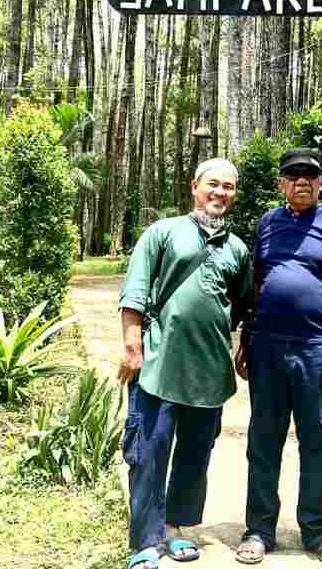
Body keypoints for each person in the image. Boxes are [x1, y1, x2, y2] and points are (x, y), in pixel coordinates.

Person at [116, 158, 253, 569]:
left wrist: (240, 346)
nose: (220, 192)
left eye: (228, 186)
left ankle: (174, 528)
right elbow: (135, 291)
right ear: (195, 186)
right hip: (159, 364)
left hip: (209, 372)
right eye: (213, 184)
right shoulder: (163, 233)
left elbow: (242, 306)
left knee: (195, 456)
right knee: (149, 452)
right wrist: (132, 347)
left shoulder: (237, 248)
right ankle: (146, 541)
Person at [235, 147, 322, 568]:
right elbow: (258, 281)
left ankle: (318, 531)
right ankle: (259, 530)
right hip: (268, 346)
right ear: (281, 184)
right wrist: (246, 336)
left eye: (309, 175)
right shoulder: (267, 223)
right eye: (293, 175)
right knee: (263, 438)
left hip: (320, 347)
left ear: (321, 182)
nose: (302, 181)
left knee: (317, 439)